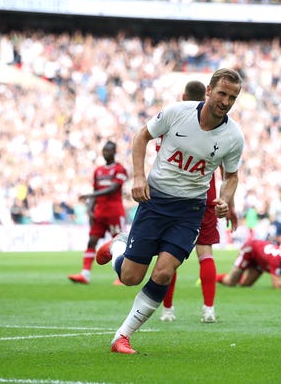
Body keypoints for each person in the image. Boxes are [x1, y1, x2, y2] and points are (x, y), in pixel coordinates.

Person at [95, 68, 245, 354]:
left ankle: (122, 337)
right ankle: (117, 246)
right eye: (222, 94)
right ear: (209, 91)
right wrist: (139, 177)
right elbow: (141, 137)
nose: (225, 101)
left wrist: (226, 198)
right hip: (156, 201)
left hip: (190, 210)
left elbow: (232, 175)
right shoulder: (178, 112)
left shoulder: (233, 137)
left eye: (232, 97)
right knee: (130, 277)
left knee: (164, 271)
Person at [159, 80, 237, 324]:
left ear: (183, 96)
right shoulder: (219, 128)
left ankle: (168, 310)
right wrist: (228, 203)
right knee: (206, 252)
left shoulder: (173, 120)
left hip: (175, 196)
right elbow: (228, 171)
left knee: (168, 253)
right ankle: (209, 309)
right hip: (208, 196)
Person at [68, 141, 128, 285]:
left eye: (109, 150)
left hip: (114, 211)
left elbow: (113, 188)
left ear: (114, 152)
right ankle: (85, 274)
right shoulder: (98, 171)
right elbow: (96, 191)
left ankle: (123, 276)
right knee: (92, 240)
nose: (106, 153)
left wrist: (89, 196)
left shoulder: (120, 169)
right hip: (99, 212)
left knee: (119, 242)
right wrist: (90, 208)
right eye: (104, 150)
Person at [216, 238, 281, 289]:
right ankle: (212, 278)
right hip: (250, 250)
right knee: (230, 282)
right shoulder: (276, 261)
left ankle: (238, 278)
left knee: (245, 285)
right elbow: (277, 285)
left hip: (260, 260)